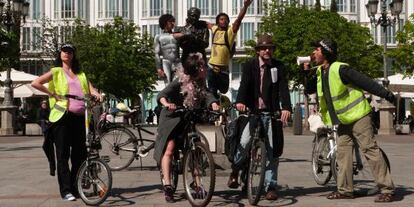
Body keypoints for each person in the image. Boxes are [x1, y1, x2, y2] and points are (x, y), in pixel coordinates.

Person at [303, 38, 395, 202]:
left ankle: (387, 189)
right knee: (342, 154)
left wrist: (385, 94)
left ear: (326, 52)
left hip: (359, 116)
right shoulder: (320, 72)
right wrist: (305, 72)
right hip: (343, 121)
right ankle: (345, 190)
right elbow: (308, 89)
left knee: (369, 150)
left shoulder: (340, 69)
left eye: (317, 49)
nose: (313, 52)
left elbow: (364, 81)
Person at [31, 43, 102, 201]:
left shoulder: (81, 74)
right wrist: (52, 94)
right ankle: (65, 190)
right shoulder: (56, 71)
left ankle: (75, 187)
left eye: (70, 52)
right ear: (60, 54)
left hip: (81, 118)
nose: (67, 54)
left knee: (80, 155)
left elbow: (91, 89)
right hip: (62, 117)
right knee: (63, 155)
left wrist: (98, 94)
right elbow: (35, 83)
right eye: (64, 51)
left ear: (73, 55)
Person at [229, 34, 292, 200]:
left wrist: (286, 107)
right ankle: (235, 170)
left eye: (270, 48)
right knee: (243, 143)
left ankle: (270, 186)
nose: (267, 51)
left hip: (270, 113)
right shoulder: (250, 66)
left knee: (272, 150)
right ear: (258, 51)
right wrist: (240, 102)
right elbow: (244, 85)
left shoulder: (278, 67)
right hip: (252, 112)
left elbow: (283, 88)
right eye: (263, 48)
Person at [153, 52, 220, 203]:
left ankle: (196, 184)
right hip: (172, 118)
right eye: (203, 66)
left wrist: (213, 103)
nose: (205, 68)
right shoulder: (180, 80)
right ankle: (168, 186)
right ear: (196, 69)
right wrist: (166, 103)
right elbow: (162, 94)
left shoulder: (201, 82)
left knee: (194, 148)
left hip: (188, 118)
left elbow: (207, 94)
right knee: (169, 148)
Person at [206, 0, 253, 97]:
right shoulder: (215, 29)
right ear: (218, 22)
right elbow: (206, 24)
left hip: (223, 69)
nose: (224, 21)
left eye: (226, 19)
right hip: (211, 67)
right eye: (221, 19)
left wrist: (245, 7)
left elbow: (239, 20)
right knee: (211, 92)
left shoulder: (230, 32)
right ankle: (212, 108)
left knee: (224, 90)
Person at [154, 14, 182, 84]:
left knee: (179, 83)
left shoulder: (177, 35)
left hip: (177, 62)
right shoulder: (158, 37)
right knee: (168, 84)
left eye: (174, 21)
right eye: (171, 21)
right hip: (166, 62)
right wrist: (159, 69)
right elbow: (156, 53)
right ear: (165, 22)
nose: (173, 23)